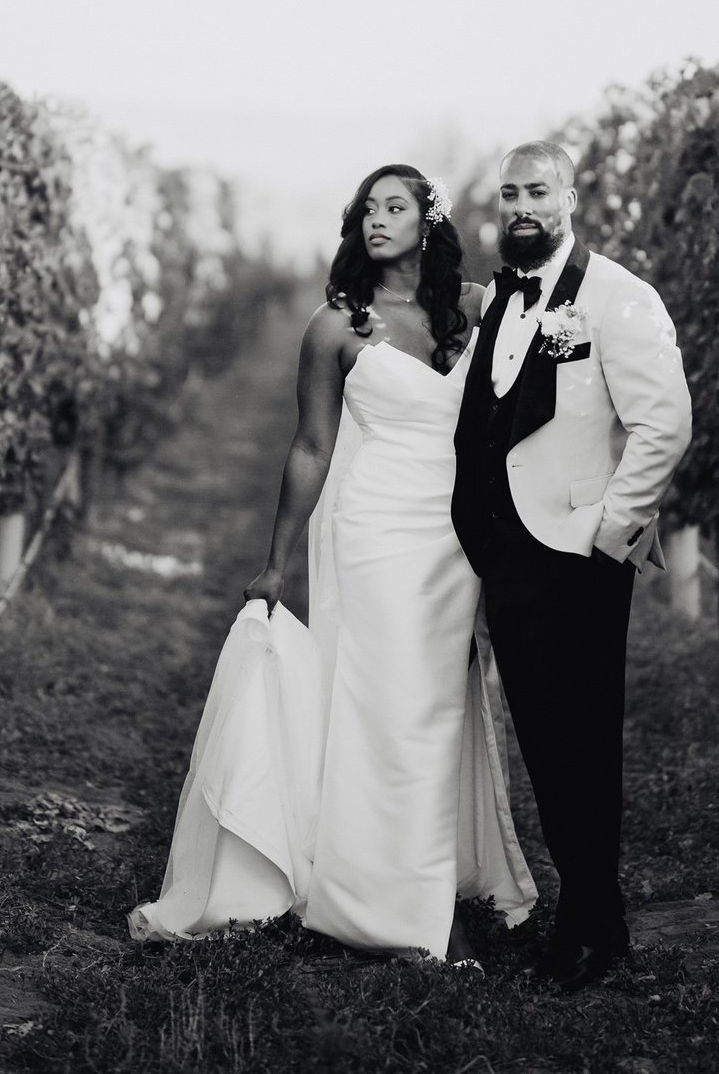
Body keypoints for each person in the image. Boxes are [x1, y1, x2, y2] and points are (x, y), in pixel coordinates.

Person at [129, 165, 536, 963]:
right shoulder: (336, 326)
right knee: (396, 708)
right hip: (378, 531)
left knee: (443, 707)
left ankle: (412, 879)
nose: (378, 221)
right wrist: (276, 562)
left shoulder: (480, 309)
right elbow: (313, 447)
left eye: (396, 207)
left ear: (430, 221)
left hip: (459, 541)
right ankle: (419, 919)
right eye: (367, 210)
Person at [452, 141, 692, 992]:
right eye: (511, 192)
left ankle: (594, 925)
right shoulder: (504, 303)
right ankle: (589, 911)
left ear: (571, 197)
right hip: (510, 551)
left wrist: (609, 534)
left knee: (583, 741)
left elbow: (665, 425)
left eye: (539, 191)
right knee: (545, 742)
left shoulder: (621, 300)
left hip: (582, 557)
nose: (523, 205)